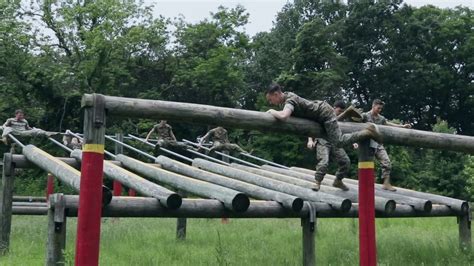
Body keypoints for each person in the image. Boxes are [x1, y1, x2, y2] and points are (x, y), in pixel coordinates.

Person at [265, 83, 382, 191]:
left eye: (271, 99)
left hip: (324, 113)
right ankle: (321, 182)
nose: (271, 103)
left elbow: (284, 116)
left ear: (276, 94)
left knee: (339, 142)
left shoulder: (289, 100)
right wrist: (310, 139)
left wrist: (271, 111)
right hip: (320, 118)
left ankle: (367, 131)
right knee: (326, 157)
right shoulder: (288, 97)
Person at [361, 99, 411, 191]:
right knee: (367, 165)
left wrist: (402, 126)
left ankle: (386, 183)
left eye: (381, 109)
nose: (379, 110)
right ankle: (366, 184)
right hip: (366, 144)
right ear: (373, 106)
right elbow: (355, 124)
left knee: (387, 162)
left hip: (377, 143)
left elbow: (389, 124)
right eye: (378, 108)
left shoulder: (381, 118)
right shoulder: (365, 116)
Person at [307, 100, 351, 191]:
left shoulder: (341, 120)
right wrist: (310, 140)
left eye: (343, 112)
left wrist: (353, 142)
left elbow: (344, 131)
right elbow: (312, 126)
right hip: (323, 141)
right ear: (334, 108)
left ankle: (338, 181)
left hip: (335, 142)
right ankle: (317, 183)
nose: (341, 113)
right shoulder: (325, 113)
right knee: (324, 162)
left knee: (346, 161)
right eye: (339, 111)